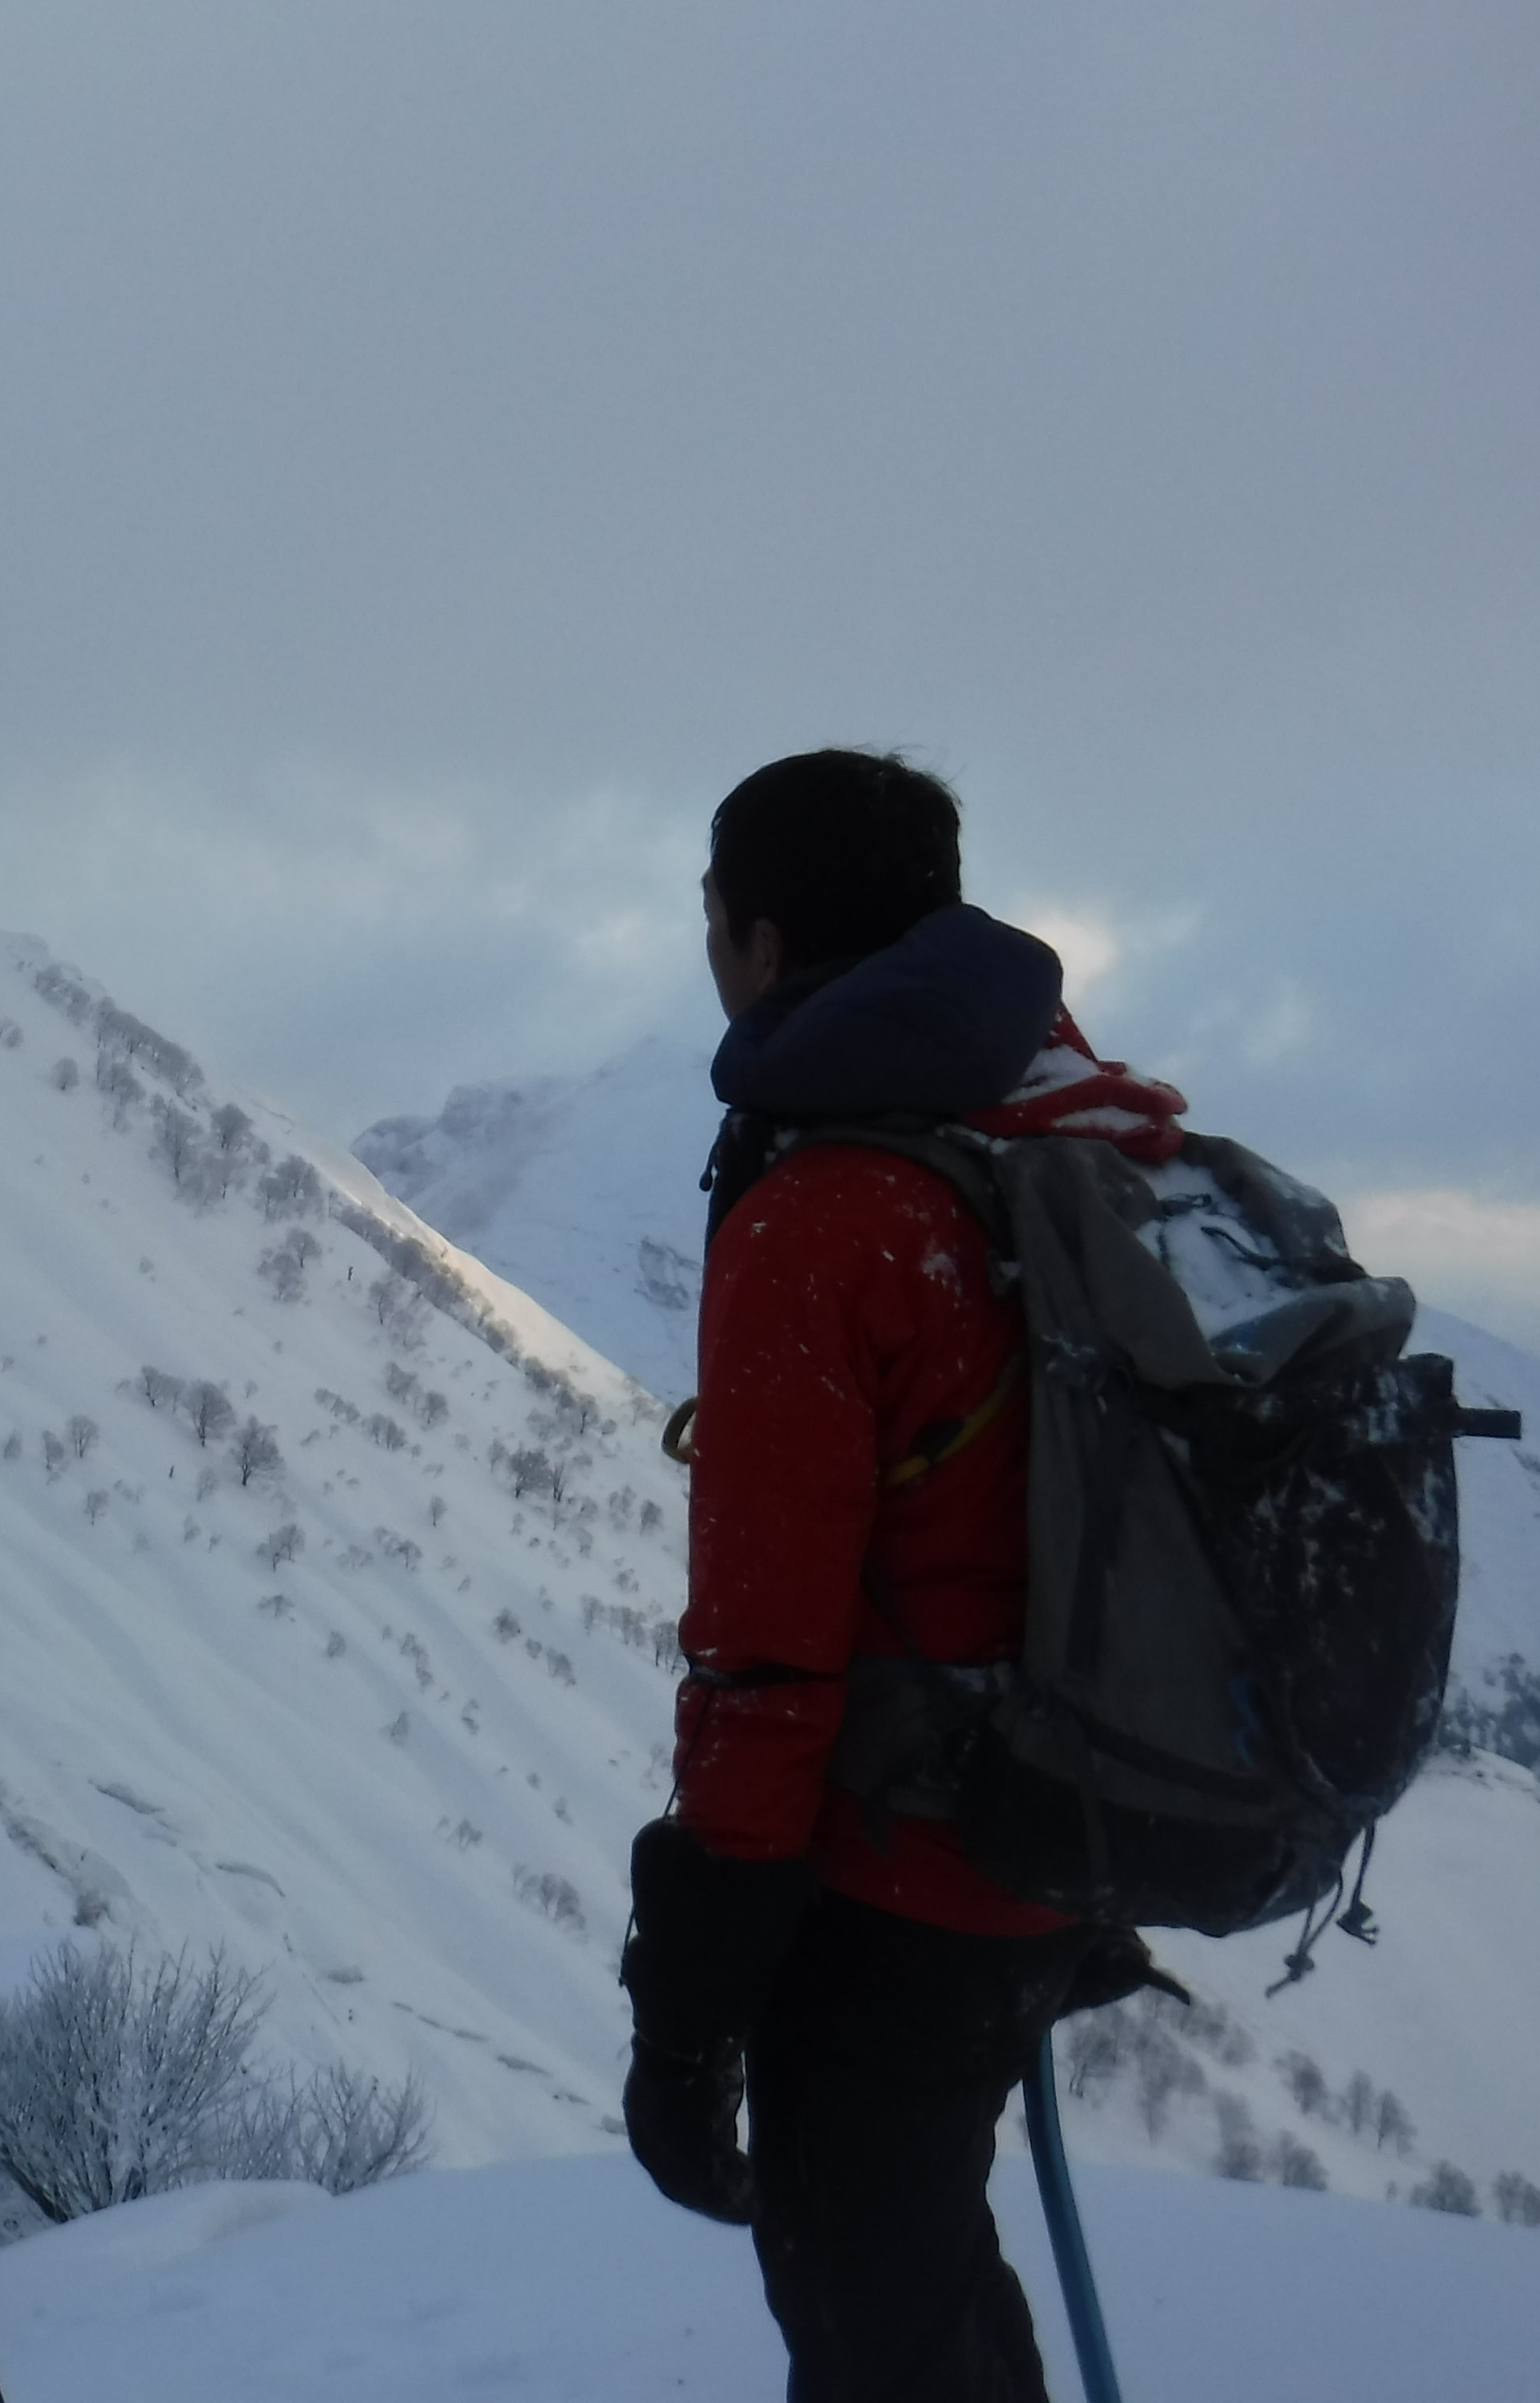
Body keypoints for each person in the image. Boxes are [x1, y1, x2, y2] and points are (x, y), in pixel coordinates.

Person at [620, 750, 1170, 2403]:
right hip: (1077, 1821)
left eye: (714, 922)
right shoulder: (1078, 1121)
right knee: (922, 2290)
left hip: (911, 1883)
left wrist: (688, 2009)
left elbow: (766, 1665)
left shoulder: (829, 1215)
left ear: (765, 945)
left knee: (881, 2330)